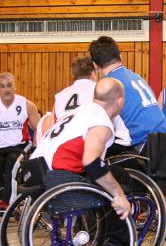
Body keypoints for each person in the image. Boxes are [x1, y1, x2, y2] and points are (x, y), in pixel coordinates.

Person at [30, 78, 130, 232]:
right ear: (120, 101)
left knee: (114, 174)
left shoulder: (79, 110)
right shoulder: (101, 121)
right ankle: (117, 240)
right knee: (119, 183)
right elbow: (91, 162)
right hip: (56, 180)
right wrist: (119, 195)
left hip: (34, 174)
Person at [89, 36, 166, 156]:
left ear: (95, 65)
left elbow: (99, 122)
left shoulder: (109, 84)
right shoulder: (136, 77)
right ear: (120, 57)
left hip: (143, 148)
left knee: (92, 155)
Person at [0, 72, 40, 209]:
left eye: (9, 85)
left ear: (14, 87)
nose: (6, 89)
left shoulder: (26, 104)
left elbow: (38, 128)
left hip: (20, 146)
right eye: (2, 86)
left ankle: (7, 203)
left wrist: (35, 148)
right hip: (1, 147)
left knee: (12, 161)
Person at [53, 56, 97, 121]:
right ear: (93, 74)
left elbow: (53, 122)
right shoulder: (98, 89)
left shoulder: (60, 95)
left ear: (73, 75)